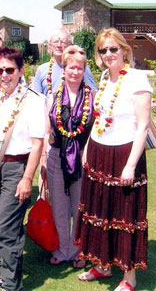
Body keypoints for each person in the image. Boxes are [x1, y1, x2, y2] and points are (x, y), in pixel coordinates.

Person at [75, 28, 152, 291]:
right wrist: (87, 147)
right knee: (99, 212)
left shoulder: (137, 79)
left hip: (124, 154)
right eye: (102, 50)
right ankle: (103, 266)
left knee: (124, 214)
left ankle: (129, 277)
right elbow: (100, 118)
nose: (108, 54)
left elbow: (142, 126)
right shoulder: (105, 78)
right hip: (99, 150)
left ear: (124, 50)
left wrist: (131, 165)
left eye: (113, 49)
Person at [0, 46, 46, 291]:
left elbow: (38, 144)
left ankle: (12, 284)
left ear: (20, 71)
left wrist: (28, 178)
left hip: (16, 168)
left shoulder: (34, 101)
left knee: (7, 229)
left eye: (9, 70)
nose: (4, 74)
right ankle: (2, 272)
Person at [44, 45, 94, 267]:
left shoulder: (93, 97)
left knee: (79, 206)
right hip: (56, 155)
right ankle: (62, 249)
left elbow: (97, 130)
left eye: (80, 68)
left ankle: (78, 250)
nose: (75, 72)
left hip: (83, 157)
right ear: (63, 69)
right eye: (71, 67)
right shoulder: (53, 96)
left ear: (84, 70)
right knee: (59, 206)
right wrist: (45, 159)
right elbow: (46, 131)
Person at [32, 29, 97, 99]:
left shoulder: (80, 67)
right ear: (50, 45)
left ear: (70, 45)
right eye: (55, 42)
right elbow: (35, 98)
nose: (59, 45)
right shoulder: (42, 70)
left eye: (63, 42)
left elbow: (94, 94)